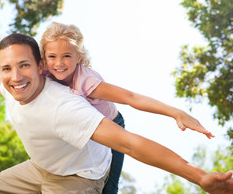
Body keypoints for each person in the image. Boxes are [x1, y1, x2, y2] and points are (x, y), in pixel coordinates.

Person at [0, 33, 233, 194]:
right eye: (8, 68)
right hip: (41, 168)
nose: (15, 77)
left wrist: (199, 176)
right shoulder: (10, 84)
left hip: (78, 177)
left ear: (39, 66)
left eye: (24, 66)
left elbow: (130, 142)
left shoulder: (66, 105)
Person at [40, 22, 214, 193]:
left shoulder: (86, 81)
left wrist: (176, 112)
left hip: (112, 123)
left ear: (79, 57)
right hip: (85, 129)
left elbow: (130, 97)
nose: (59, 63)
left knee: (110, 185)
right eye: (52, 56)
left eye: (67, 56)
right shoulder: (45, 71)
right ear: (44, 56)